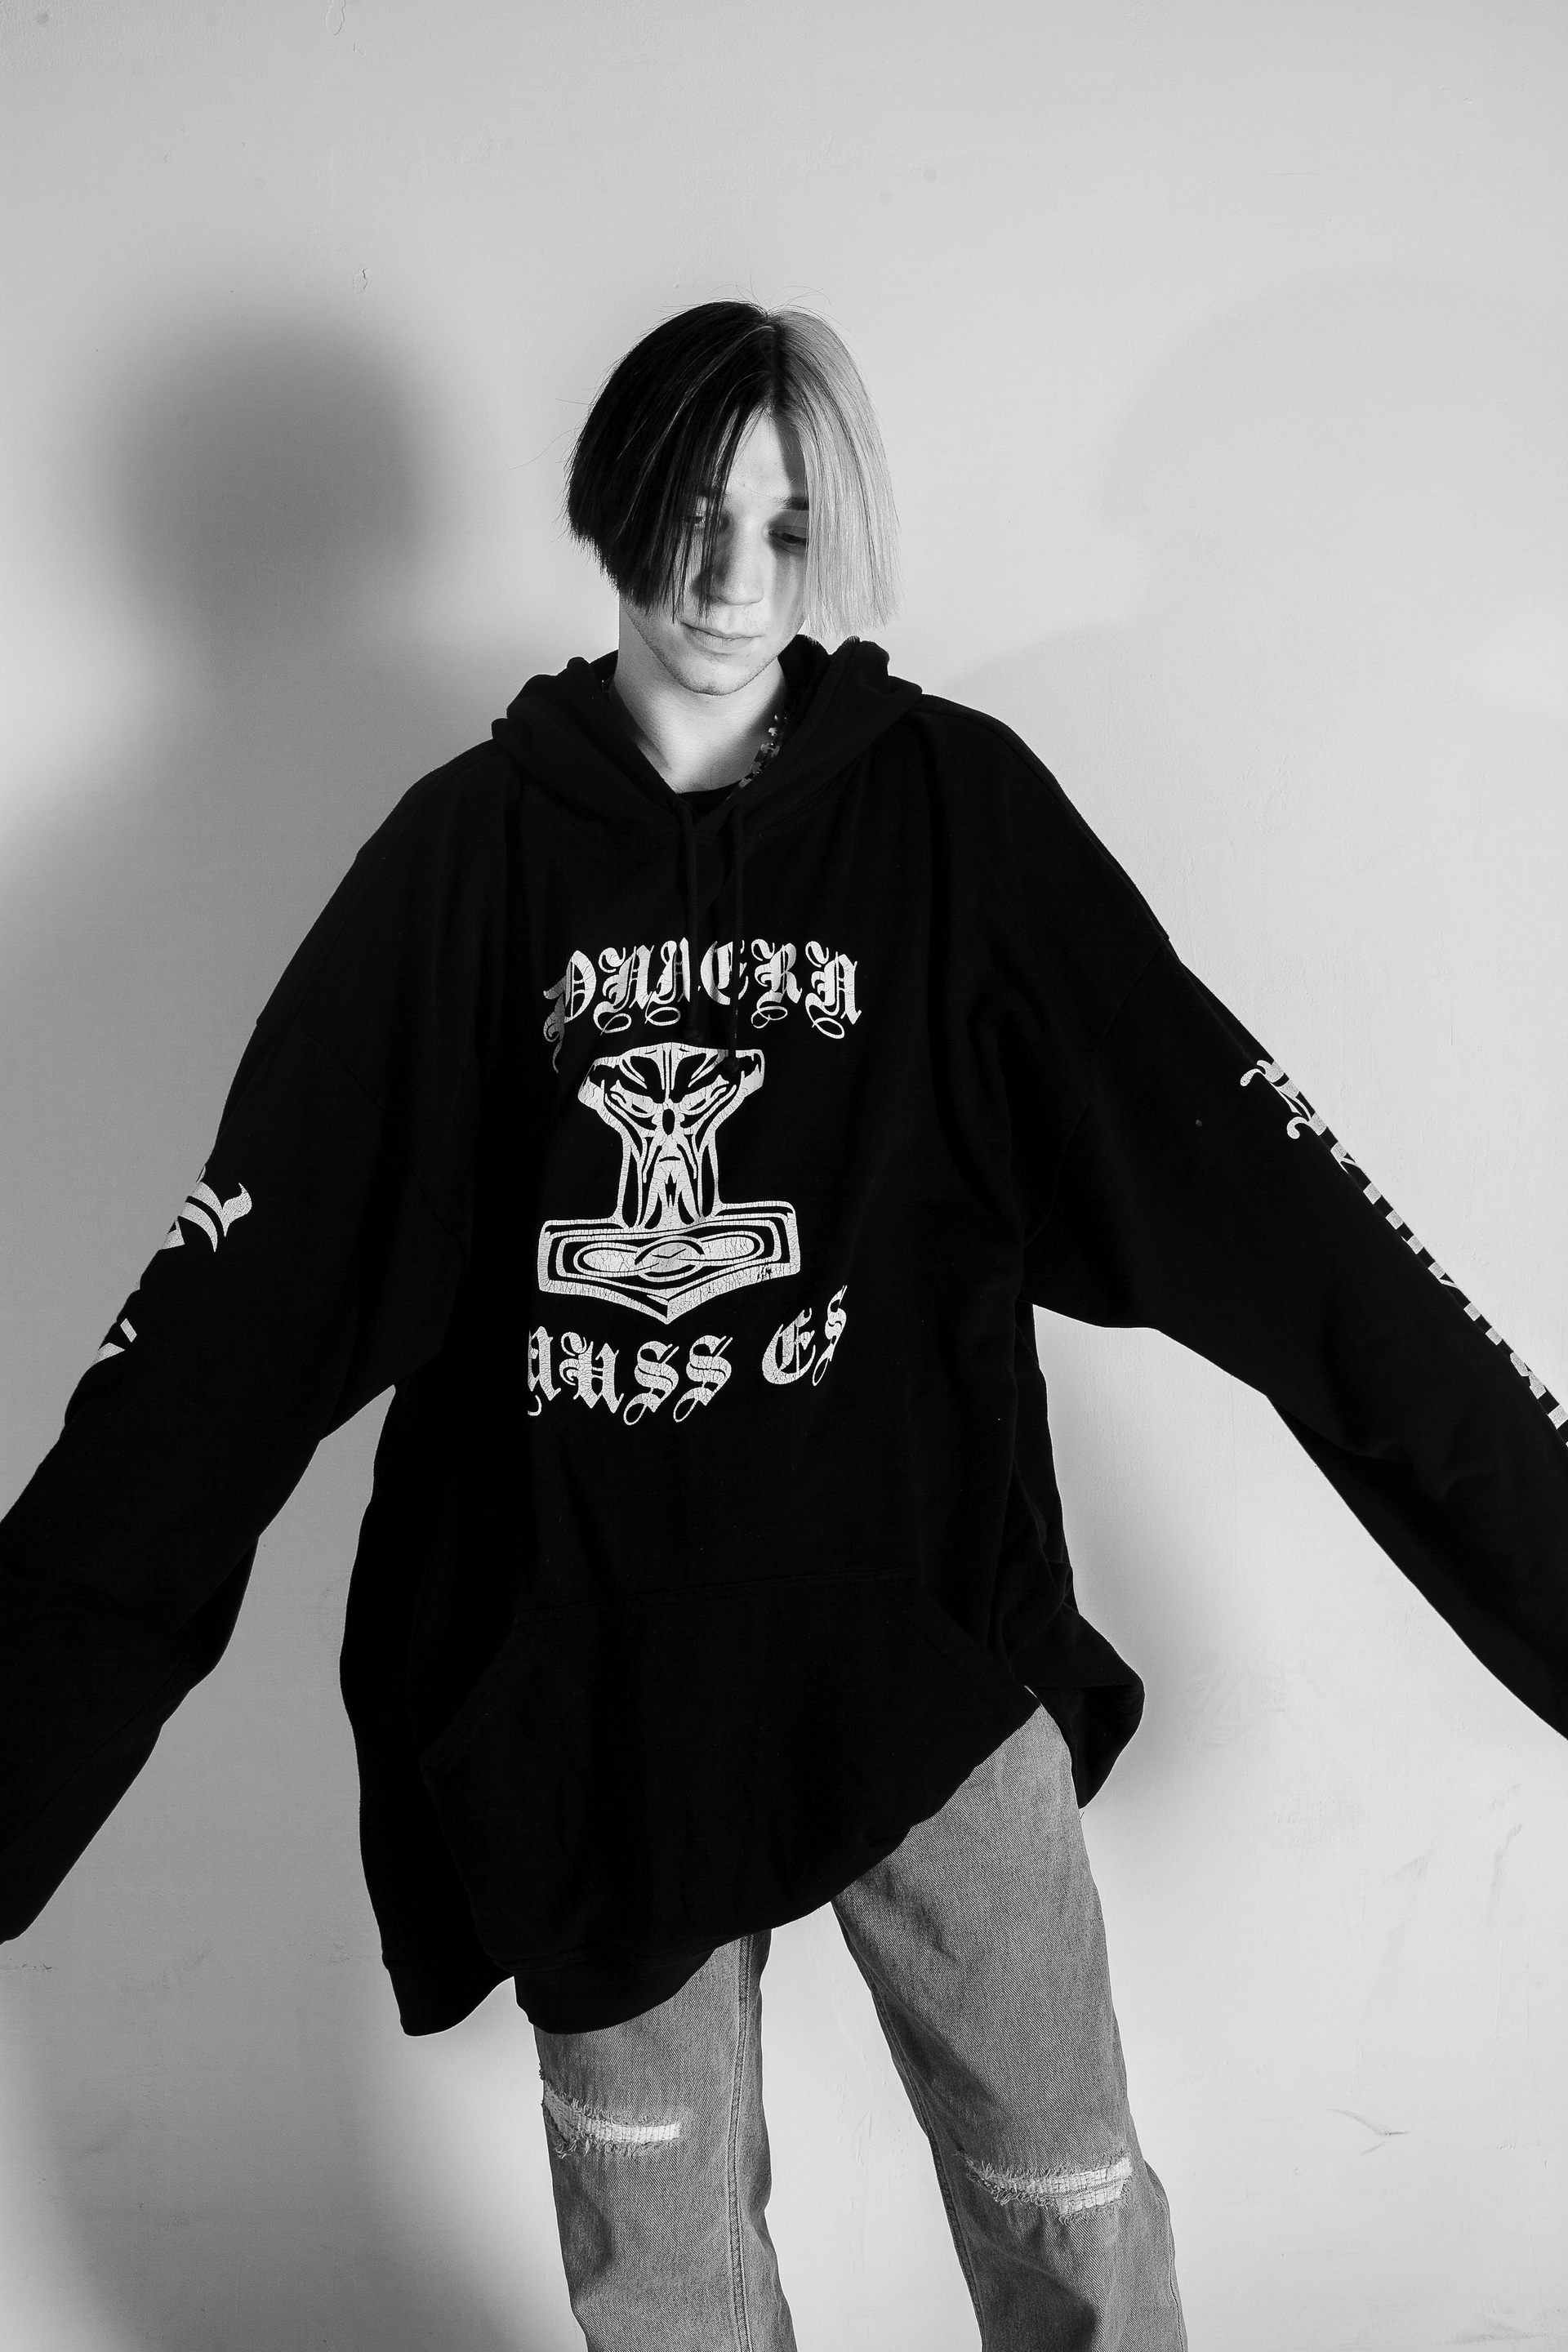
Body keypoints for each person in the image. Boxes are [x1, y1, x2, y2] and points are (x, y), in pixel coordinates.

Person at [2, 299, 1564, 2351]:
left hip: (924, 1658)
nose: (737, 579)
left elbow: (1276, 1218)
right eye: (694, 515)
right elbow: (220, 1345)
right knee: (664, 2283)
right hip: (588, 1699)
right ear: (611, 509)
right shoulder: (466, 869)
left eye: (792, 525)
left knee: (1068, 2213)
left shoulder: (951, 825)